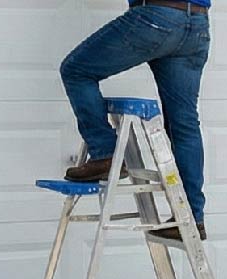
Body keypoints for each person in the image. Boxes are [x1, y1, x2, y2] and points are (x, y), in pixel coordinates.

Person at [59, 0, 211, 240]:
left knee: (76, 71)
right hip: (197, 24)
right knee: (185, 124)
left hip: (157, 17)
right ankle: (192, 218)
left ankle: (105, 154)